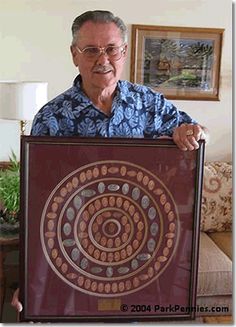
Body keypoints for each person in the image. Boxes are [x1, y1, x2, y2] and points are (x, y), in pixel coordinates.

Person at [11, 9, 209, 313]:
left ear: (124, 52)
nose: (102, 59)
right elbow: (37, 204)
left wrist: (193, 133)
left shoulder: (149, 104)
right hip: (71, 251)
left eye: (111, 49)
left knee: (126, 319)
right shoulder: (52, 118)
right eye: (90, 50)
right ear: (74, 55)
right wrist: (27, 277)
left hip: (136, 248)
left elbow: (199, 134)